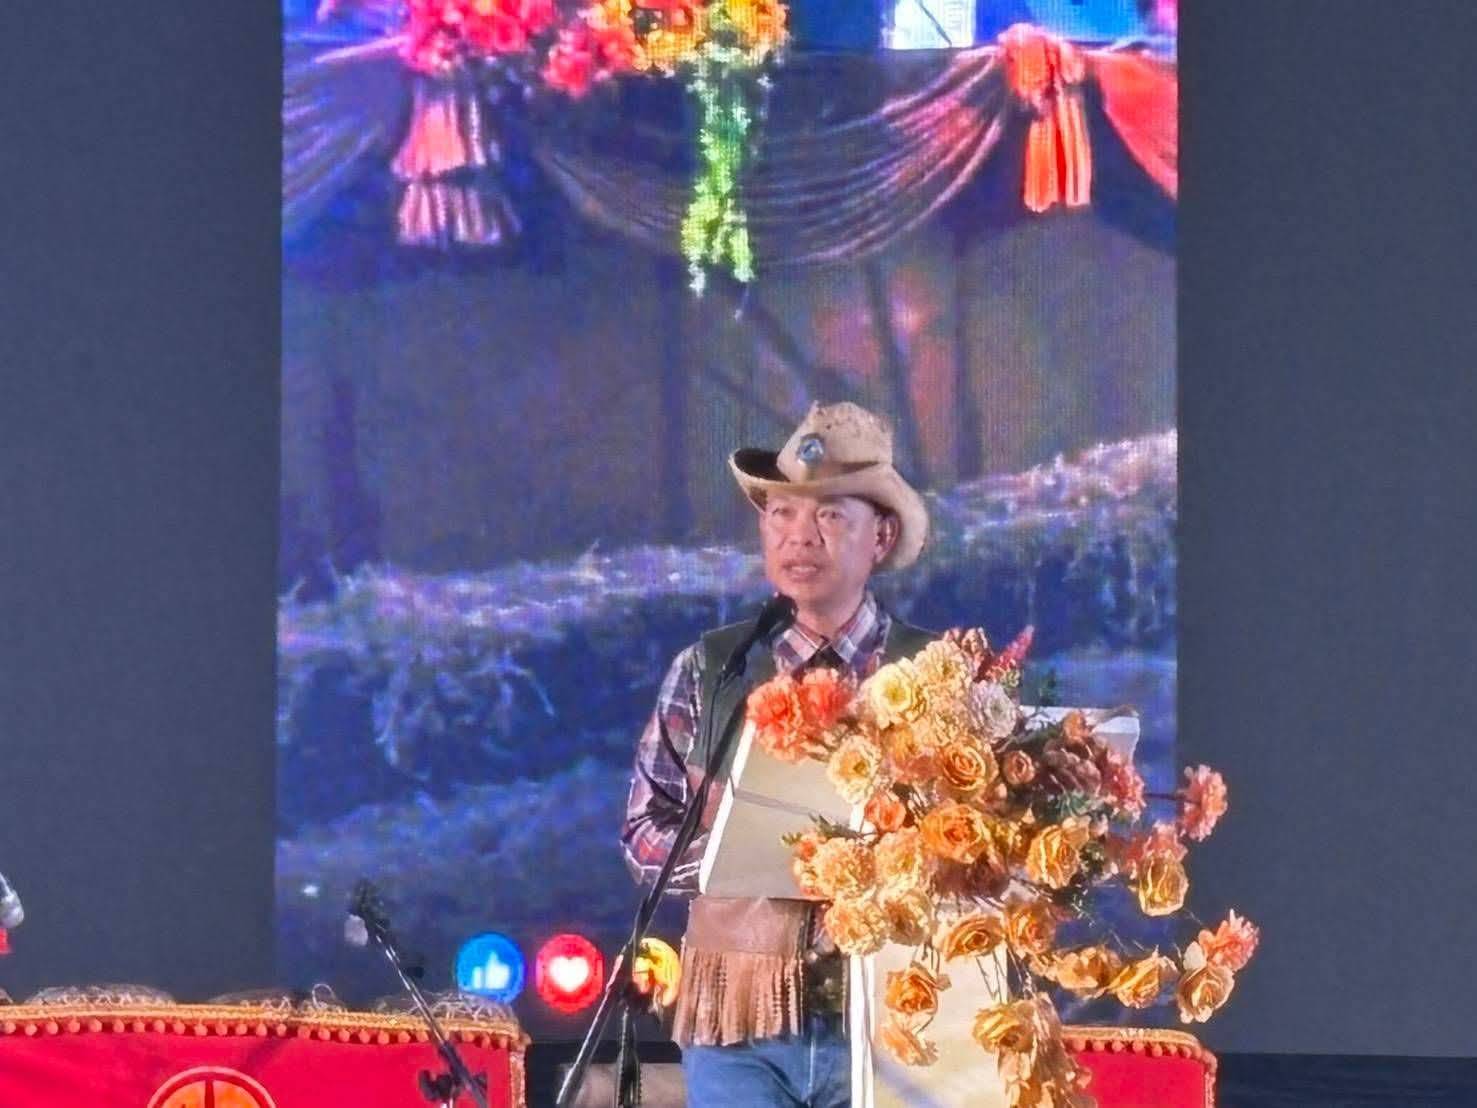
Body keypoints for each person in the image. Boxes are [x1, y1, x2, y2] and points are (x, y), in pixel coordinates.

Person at [622, 402, 935, 1107]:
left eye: (829, 515)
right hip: (740, 1026)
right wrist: (744, 859)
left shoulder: (932, 676)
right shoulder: (712, 669)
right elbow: (643, 834)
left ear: (880, 536)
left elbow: (982, 844)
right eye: (780, 514)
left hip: (894, 1022)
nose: (799, 536)